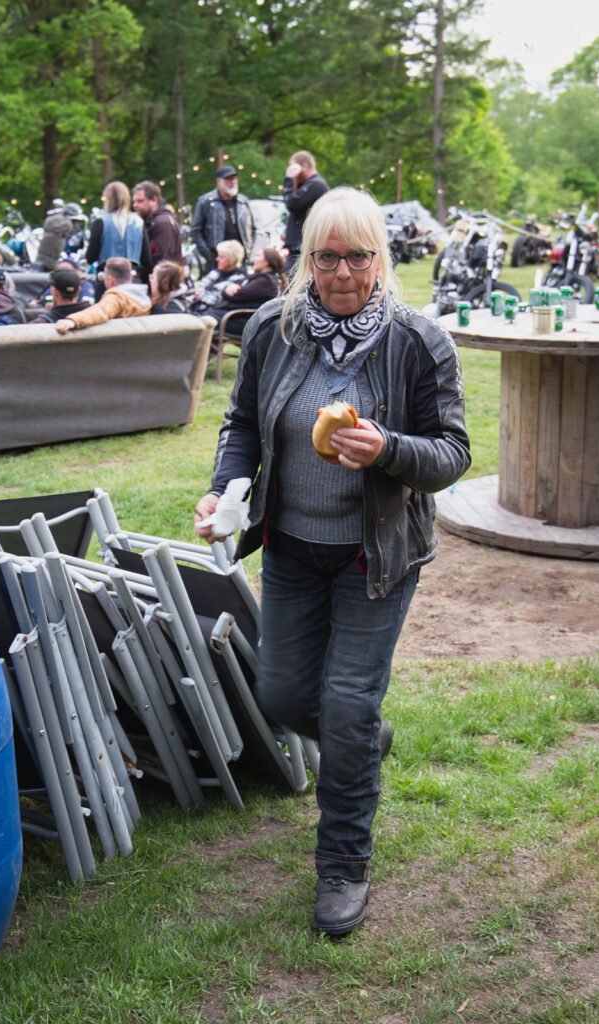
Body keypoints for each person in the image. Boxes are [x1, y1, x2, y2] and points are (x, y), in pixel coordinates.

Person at [194, 187, 470, 938]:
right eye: (327, 257)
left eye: (358, 256)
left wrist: (389, 449)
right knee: (284, 698)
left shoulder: (417, 342)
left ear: (380, 259)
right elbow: (243, 424)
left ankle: (342, 866)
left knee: (345, 705)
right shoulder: (271, 332)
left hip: (374, 557)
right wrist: (224, 490)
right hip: (290, 550)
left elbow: (451, 454)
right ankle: (360, 741)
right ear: (304, 259)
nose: (342, 272)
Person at [86, 181, 151, 298]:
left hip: (106, 281)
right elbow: (146, 259)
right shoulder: (138, 223)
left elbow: (91, 257)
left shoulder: (101, 222)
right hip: (132, 280)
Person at [55, 256, 150, 334]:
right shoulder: (145, 297)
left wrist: (73, 320)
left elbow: (101, 311)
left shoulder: (117, 298)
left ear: (110, 280)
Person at [191, 165, 255, 272]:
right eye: (228, 179)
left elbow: (253, 229)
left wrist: (249, 251)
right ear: (218, 181)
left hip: (240, 261)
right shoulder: (206, 201)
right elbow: (195, 231)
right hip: (216, 261)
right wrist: (208, 255)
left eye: (234, 178)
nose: (232, 182)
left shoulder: (244, 202)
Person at [206, 247, 287, 329]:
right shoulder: (256, 277)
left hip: (239, 319)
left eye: (258, 256)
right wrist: (227, 288)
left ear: (267, 261)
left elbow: (236, 295)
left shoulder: (266, 282)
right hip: (227, 314)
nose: (254, 260)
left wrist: (227, 290)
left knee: (203, 321)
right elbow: (230, 289)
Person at [282, 151, 329, 272]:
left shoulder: (316, 185)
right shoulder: (311, 184)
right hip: (301, 244)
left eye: (294, 167)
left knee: (294, 282)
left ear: (304, 166)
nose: (292, 172)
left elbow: (292, 204)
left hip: (303, 245)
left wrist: (288, 180)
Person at [132, 181, 183, 269]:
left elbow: (163, 261)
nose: (135, 205)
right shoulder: (153, 222)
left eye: (140, 201)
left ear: (154, 200)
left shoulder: (162, 223)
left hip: (163, 279)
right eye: (134, 201)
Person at [190, 240, 247, 313]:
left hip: (211, 314)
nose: (217, 259)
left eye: (221, 257)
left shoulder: (239, 278)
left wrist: (201, 295)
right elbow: (199, 289)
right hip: (196, 309)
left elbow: (217, 300)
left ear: (232, 260)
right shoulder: (215, 272)